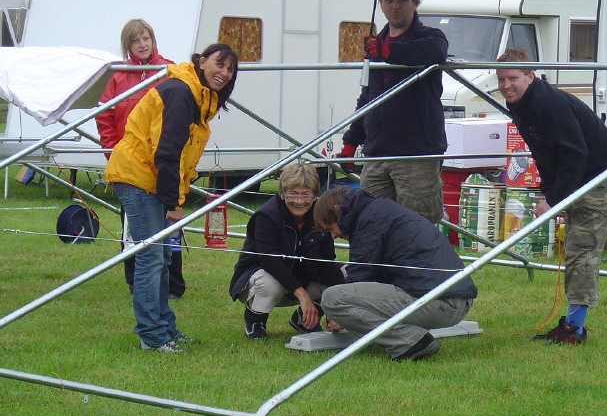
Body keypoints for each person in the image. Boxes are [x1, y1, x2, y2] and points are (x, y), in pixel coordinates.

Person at [105, 43, 238, 352]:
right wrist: (174, 203)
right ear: (201, 62)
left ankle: (164, 327)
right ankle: (151, 336)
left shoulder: (199, 95)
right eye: (219, 64)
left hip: (152, 178)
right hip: (138, 177)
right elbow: (167, 152)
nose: (225, 73)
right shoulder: (181, 91)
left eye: (231, 69)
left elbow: (178, 153)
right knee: (151, 256)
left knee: (162, 256)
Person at [496, 47, 607, 345]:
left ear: (530, 76)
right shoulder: (521, 104)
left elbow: (574, 152)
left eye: (513, 78)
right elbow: (543, 152)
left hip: (602, 173)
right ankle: (571, 323)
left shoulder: (549, 104)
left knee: (582, 248)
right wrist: (551, 193)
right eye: (501, 79)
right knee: (575, 246)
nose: (506, 86)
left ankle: (575, 330)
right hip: (579, 173)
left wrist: (555, 200)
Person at [314, 186, 477, 361]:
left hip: (440, 302)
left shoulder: (369, 220)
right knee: (344, 279)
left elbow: (360, 277)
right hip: (453, 299)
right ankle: (412, 336)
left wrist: (341, 317)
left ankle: (409, 342)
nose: (333, 236)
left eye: (331, 228)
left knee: (333, 299)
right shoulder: (377, 210)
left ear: (337, 212)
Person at [337, 0, 448, 224]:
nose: (395, 6)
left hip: (416, 155)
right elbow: (368, 98)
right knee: (370, 225)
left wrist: (389, 51)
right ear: (381, 4)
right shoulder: (375, 45)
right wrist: (351, 142)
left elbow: (434, 51)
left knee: (416, 228)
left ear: (415, 3)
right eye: (389, 0)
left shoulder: (431, 37)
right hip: (376, 154)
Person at [95, 19, 185, 300]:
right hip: (131, 168)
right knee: (133, 229)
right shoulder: (117, 76)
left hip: (164, 164)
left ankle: (173, 286)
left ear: (153, 40)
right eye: (136, 40)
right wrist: (114, 155)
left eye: (146, 38)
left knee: (170, 226)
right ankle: (136, 281)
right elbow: (105, 119)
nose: (142, 44)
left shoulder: (169, 71)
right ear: (127, 45)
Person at [229, 163, 346, 339]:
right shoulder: (266, 216)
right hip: (264, 279)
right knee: (269, 282)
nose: (299, 201)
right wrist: (303, 296)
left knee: (346, 274)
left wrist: (337, 306)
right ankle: (255, 320)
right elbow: (270, 261)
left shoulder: (321, 215)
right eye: (293, 194)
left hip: (304, 278)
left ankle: (303, 319)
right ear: (282, 194)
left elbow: (326, 262)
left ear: (315, 195)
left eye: (305, 194)